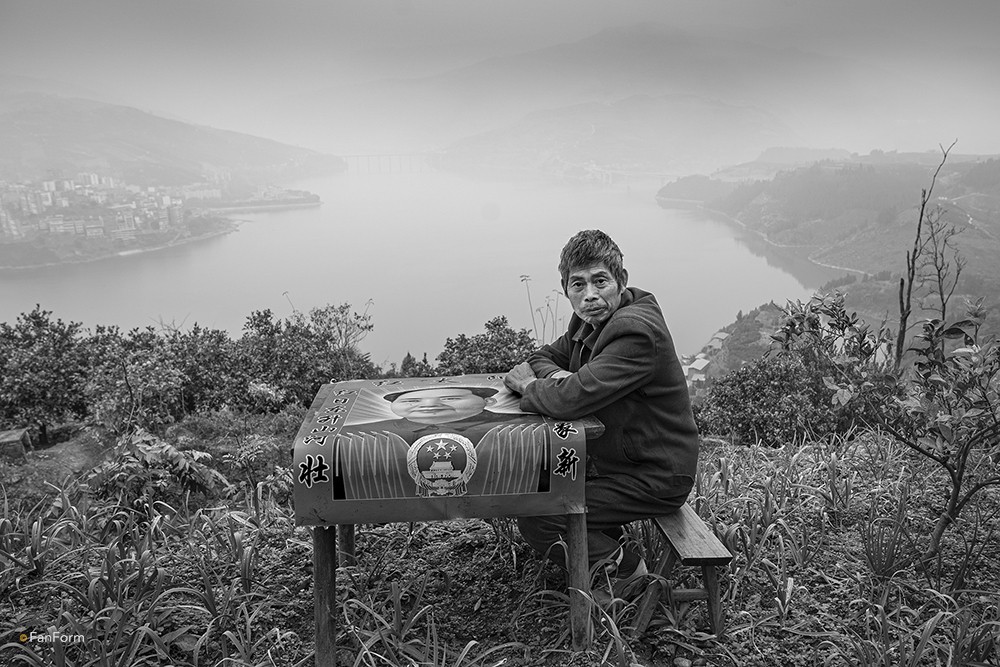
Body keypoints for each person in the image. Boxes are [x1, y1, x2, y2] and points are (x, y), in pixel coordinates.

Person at [504, 229, 699, 581]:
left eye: (600, 281)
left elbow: (569, 400)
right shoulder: (590, 319)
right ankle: (603, 550)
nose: (590, 295)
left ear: (621, 281)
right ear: (566, 289)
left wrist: (535, 387)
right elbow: (543, 357)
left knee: (540, 516)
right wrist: (564, 380)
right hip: (617, 463)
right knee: (535, 483)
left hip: (655, 475)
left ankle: (629, 574)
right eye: (578, 285)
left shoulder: (635, 332)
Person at [346, 386, 525, 445]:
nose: (429, 405)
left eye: (451, 398)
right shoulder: (357, 434)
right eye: (411, 401)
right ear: (392, 406)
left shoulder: (524, 427)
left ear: (489, 401)